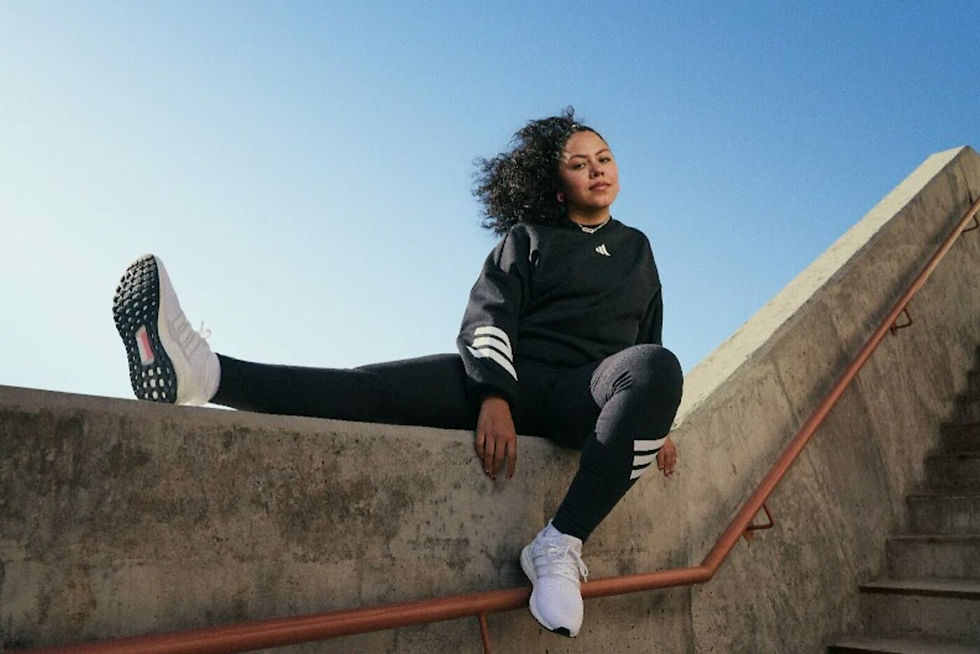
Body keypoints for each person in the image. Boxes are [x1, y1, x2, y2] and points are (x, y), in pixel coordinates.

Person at [112, 108, 683, 638]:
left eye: (603, 158)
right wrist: (492, 395)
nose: (597, 171)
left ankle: (558, 545)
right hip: (510, 376)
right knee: (365, 388)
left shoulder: (639, 249)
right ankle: (205, 375)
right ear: (558, 187)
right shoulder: (527, 240)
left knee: (659, 366)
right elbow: (490, 313)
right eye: (579, 164)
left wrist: (654, 426)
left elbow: (646, 344)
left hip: (579, 396)